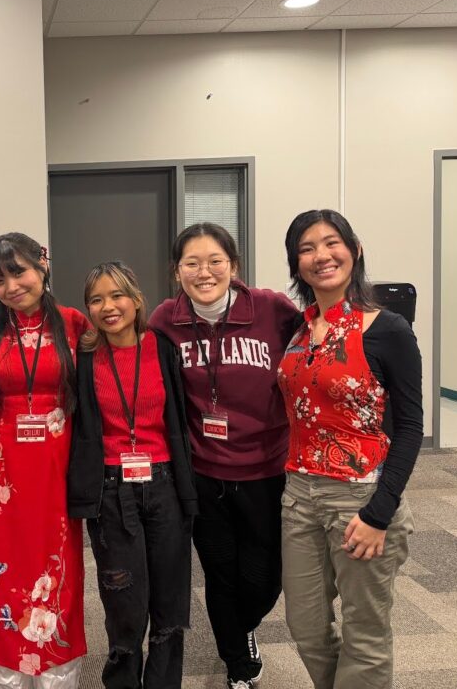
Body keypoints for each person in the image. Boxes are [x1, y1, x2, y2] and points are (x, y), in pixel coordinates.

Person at [148, 223, 300, 689]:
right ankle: (239, 664)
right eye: (191, 263)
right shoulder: (164, 320)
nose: (204, 271)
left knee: (263, 577)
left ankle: (244, 625)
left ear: (233, 265)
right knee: (219, 572)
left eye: (215, 260)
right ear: (177, 270)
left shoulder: (272, 309)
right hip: (202, 474)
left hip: (265, 469)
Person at [278, 209, 421, 689]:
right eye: (307, 248)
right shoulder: (298, 331)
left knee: (366, 635)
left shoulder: (387, 329)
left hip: (360, 499)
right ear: (297, 264)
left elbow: (410, 426)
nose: (321, 255)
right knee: (306, 626)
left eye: (332, 242)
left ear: (354, 251)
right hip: (299, 498)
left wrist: (380, 513)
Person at [68, 261, 198, 689]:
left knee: (169, 603)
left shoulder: (161, 348)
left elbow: (178, 419)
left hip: (163, 485)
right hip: (111, 493)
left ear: (137, 300)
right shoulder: (84, 356)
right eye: (96, 299)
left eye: (117, 295)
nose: (108, 307)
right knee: (124, 603)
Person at [0, 232, 88, 688]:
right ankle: (3, 671)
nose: (10, 285)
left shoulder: (75, 323)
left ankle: (57, 671)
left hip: (59, 462)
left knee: (59, 562)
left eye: (17, 271)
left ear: (43, 268)